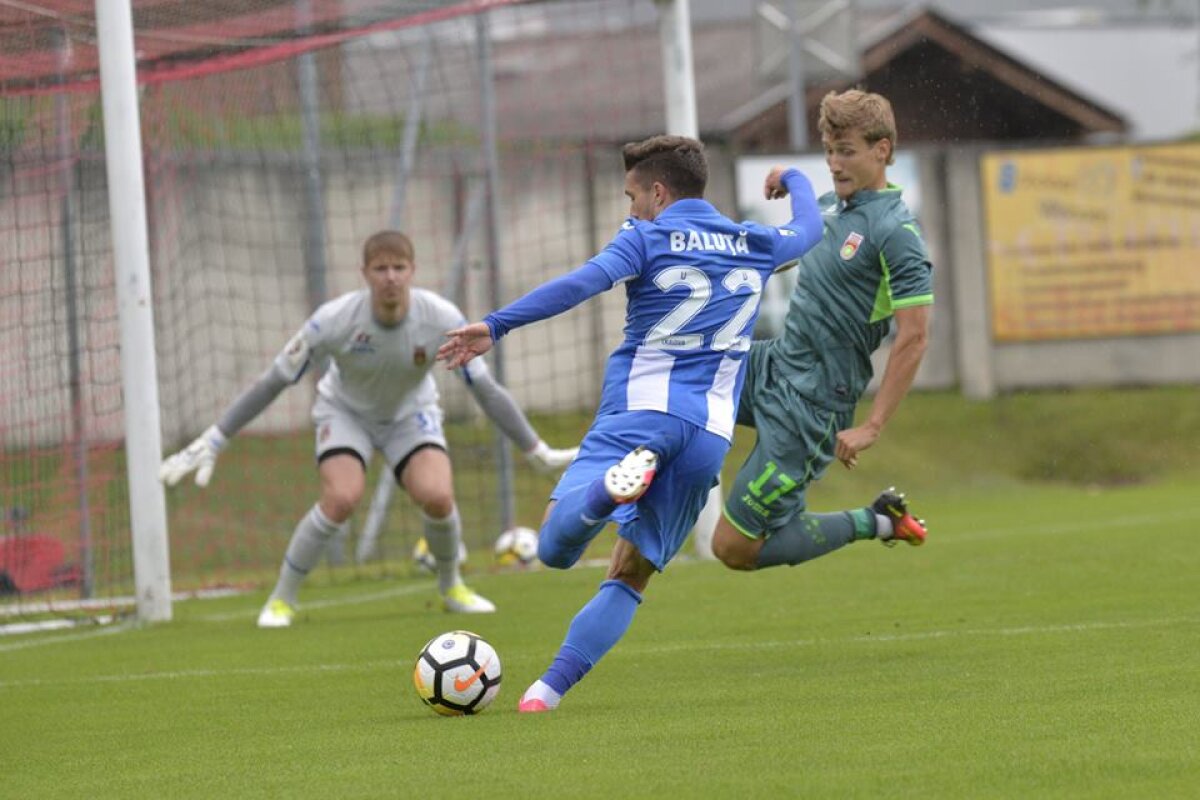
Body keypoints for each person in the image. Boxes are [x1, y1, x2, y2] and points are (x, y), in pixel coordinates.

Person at [437, 135, 823, 712]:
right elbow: (811, 228)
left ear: (659, 193)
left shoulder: (646, 235)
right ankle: (545, 693)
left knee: (554, 548)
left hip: (639, 418)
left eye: (632, 196)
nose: (629, 208)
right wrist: (793, 179)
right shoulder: (755, 241)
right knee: (631, 573)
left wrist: (497, 324)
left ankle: (601, 496)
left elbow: (579, 284)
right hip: (710, 436)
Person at [159, 230, 578, 627]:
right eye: (381, 268)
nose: (391, 277)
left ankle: (452, 587)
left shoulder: (441, 318)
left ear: (412, 271)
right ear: (365, 274)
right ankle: (281, 598)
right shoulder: (333, 321)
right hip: (345, 413)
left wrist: (535, 449)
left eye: (399, 267)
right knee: (342, 497)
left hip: (409, 414)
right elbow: (274, 381)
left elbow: (485, 388)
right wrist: (217, 437)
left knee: (437, 496)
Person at [710, 89, 934, 575]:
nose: (834, 163)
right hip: (774, 363)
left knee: (732, 548)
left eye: (847, 151)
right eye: (830, 151)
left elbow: (914, 336)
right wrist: (788, 180)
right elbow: (804, 237)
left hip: (811, 407)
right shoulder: (834, 205)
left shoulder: (896, 233)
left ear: (883, 150)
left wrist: (872, 425)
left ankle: (874, 521)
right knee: (687, 370)